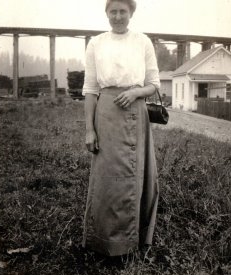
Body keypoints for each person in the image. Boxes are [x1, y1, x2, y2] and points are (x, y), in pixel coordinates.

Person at [82, 0, 160, 256]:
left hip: (135, 113)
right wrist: (89, 130)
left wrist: (136, 92)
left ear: (131, 13)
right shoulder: (96, 43)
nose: (118, 16)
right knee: (107, 178)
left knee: (134, 176)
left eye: (122, 11)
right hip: (106, 114)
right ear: (106, 13)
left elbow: (154, 84)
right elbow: (91, 90)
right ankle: (104, 240)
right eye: (113, 11)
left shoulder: (143, 41)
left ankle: (132, 241)